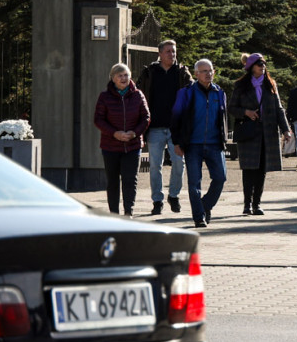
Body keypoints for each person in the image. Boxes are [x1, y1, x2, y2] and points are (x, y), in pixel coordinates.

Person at [228, 53, 291, 216]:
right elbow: (232, 108)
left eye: (263, 63)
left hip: (267, 133)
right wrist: (246, 112)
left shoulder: (271, 84)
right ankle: (247, 204)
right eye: (258, 63)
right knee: (249, 170)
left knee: (262, 170)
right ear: (251, 67)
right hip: (249, 133)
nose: (262, 66)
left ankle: (257, 204)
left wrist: (286, 129)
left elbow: (279, 109)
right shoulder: (241, 85)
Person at [137, 39, 193, 216]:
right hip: (155, 127)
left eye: (174, 51)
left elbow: (192, 92)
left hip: (176, 128)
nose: (172, 54)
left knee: (179, 163)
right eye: (168, 51)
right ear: (160, 53)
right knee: (155, 165)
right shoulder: (149, 72)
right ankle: (157, 200)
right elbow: (139, 94)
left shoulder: (182, 73)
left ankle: (174, 196)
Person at [171, 59, 227, 228]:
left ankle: (205, 205)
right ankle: (198, 217)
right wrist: (177, 142)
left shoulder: (220, 93)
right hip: (192, 144)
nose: (208, 74)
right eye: (204, 71)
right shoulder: (186, 93)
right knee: (194, 182)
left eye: (210, 70)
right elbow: (175, 118)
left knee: (220, 178)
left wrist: (223, 139)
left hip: (214, 143)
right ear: (196, 74)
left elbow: (223, 119)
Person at [94, 63, 150, 217]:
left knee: (130, 180)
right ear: (113, 79)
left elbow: (146, 118)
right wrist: (114, 133)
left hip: (132, 146)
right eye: (120, 75)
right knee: (112, 181)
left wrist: (135, 133)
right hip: (110, 146)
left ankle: (128, 212)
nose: (123, 78)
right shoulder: (104, 97)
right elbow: (98, 120)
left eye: (126, 75)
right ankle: (113, 214)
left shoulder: (138, 95)